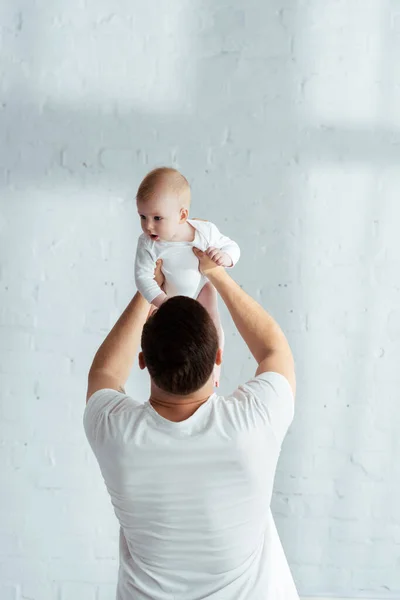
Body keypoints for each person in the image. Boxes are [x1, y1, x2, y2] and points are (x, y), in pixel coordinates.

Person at [84, 247, 298, 600]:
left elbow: (105, 372)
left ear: (143, 361)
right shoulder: (254, 425)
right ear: (218, 357)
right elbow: (274, 349)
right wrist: (217, 274)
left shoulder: (114, 434)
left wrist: (148, 287)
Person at [134, 166, 240, 386]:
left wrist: (224, 257)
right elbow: (143, 277)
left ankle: (215, 367)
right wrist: (162, 302)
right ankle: (160, 376)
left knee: (212, 323)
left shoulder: (204, 232)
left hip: (201, 288)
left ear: (182, 215)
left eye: (157, 218)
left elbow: (233, 247)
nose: (148, 226)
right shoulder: (148, 244)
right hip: (166, 297)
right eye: (142, 217)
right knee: (156, 334)